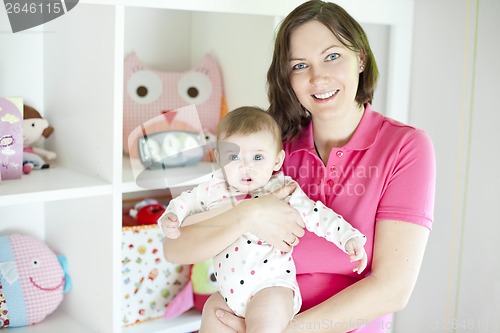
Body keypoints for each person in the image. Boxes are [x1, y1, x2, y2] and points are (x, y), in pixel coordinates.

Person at [163, 1, 435, 332]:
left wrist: (279, 329)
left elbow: (392, 289)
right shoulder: (271, 149)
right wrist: (246, 215)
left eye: (332, 56)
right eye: (300, 65)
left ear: (360, 58)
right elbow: (176, 246)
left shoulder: (404, 147)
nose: (318, 77)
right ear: (287, 77)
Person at [159, 106, 368, 333]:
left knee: (264, 324)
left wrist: (348, 237)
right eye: (233, 156)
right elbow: (185, 202)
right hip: (228, 295)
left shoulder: (282, 188)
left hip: (271, 288)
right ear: (219, 159)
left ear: (277, 161)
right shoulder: (213, 188)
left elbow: (317, 215)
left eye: (257, 157)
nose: (245, 166)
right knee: (212, 312)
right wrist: (172, 216)